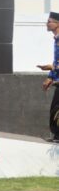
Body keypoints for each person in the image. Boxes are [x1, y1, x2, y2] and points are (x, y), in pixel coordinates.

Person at [39, 12, 59, 142]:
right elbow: (56, 61)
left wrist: (51, 68)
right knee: (55, 108)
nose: (47, 24)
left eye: (49, 21)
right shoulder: (56, 39)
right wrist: (50, 77)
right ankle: (57, 135)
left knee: (56, 108)